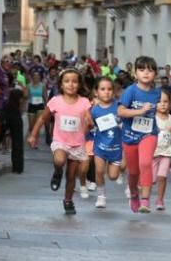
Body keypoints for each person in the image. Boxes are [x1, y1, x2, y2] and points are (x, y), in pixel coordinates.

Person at [29, 69, 92, 214]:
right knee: (59, 160)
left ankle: (68, 200)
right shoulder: (55, 101)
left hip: (77, 144)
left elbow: (89, 120)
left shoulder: (84, 102)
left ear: (79, 84)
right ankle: (57, 172)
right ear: (61, 84)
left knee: (71, 176)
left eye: (74, 81)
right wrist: (33, 134)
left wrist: (89, 123)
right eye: (67, 81)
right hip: (60, 141)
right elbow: (42, 118)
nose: (71, 84)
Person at [118, 56, 162, 213]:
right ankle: (134, 194)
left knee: (145, 163)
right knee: (133, 172)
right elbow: (120, 111)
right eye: (142, 70)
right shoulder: (131, 91)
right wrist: (140, 111)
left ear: (155, 75)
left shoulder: (157, 93)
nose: (146, 73)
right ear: (135, 73)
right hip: (130, 136)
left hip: (149, 134)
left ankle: (145, 200)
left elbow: (162, 107)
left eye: (150, 70)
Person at [89, 76, 122, 209]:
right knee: (99, 171)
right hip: (100, 147)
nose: (106, 92)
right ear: (96, 92)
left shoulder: (119, 106)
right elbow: (89, 125)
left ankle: (117, 172)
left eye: (109, 89)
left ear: (113, 91)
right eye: (102, 89)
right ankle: (101, 196)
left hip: (116, 148)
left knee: (113, 176)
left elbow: (127, 120)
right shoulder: (94, 110)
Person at [152, 89, 171, 211]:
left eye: (165, 101)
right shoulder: (152, 118)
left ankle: (160, 200)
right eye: (159, 101)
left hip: (167, 153)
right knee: (152, 180)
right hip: (153, 153)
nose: (163, 104)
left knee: (162, 177)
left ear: (170, 103)